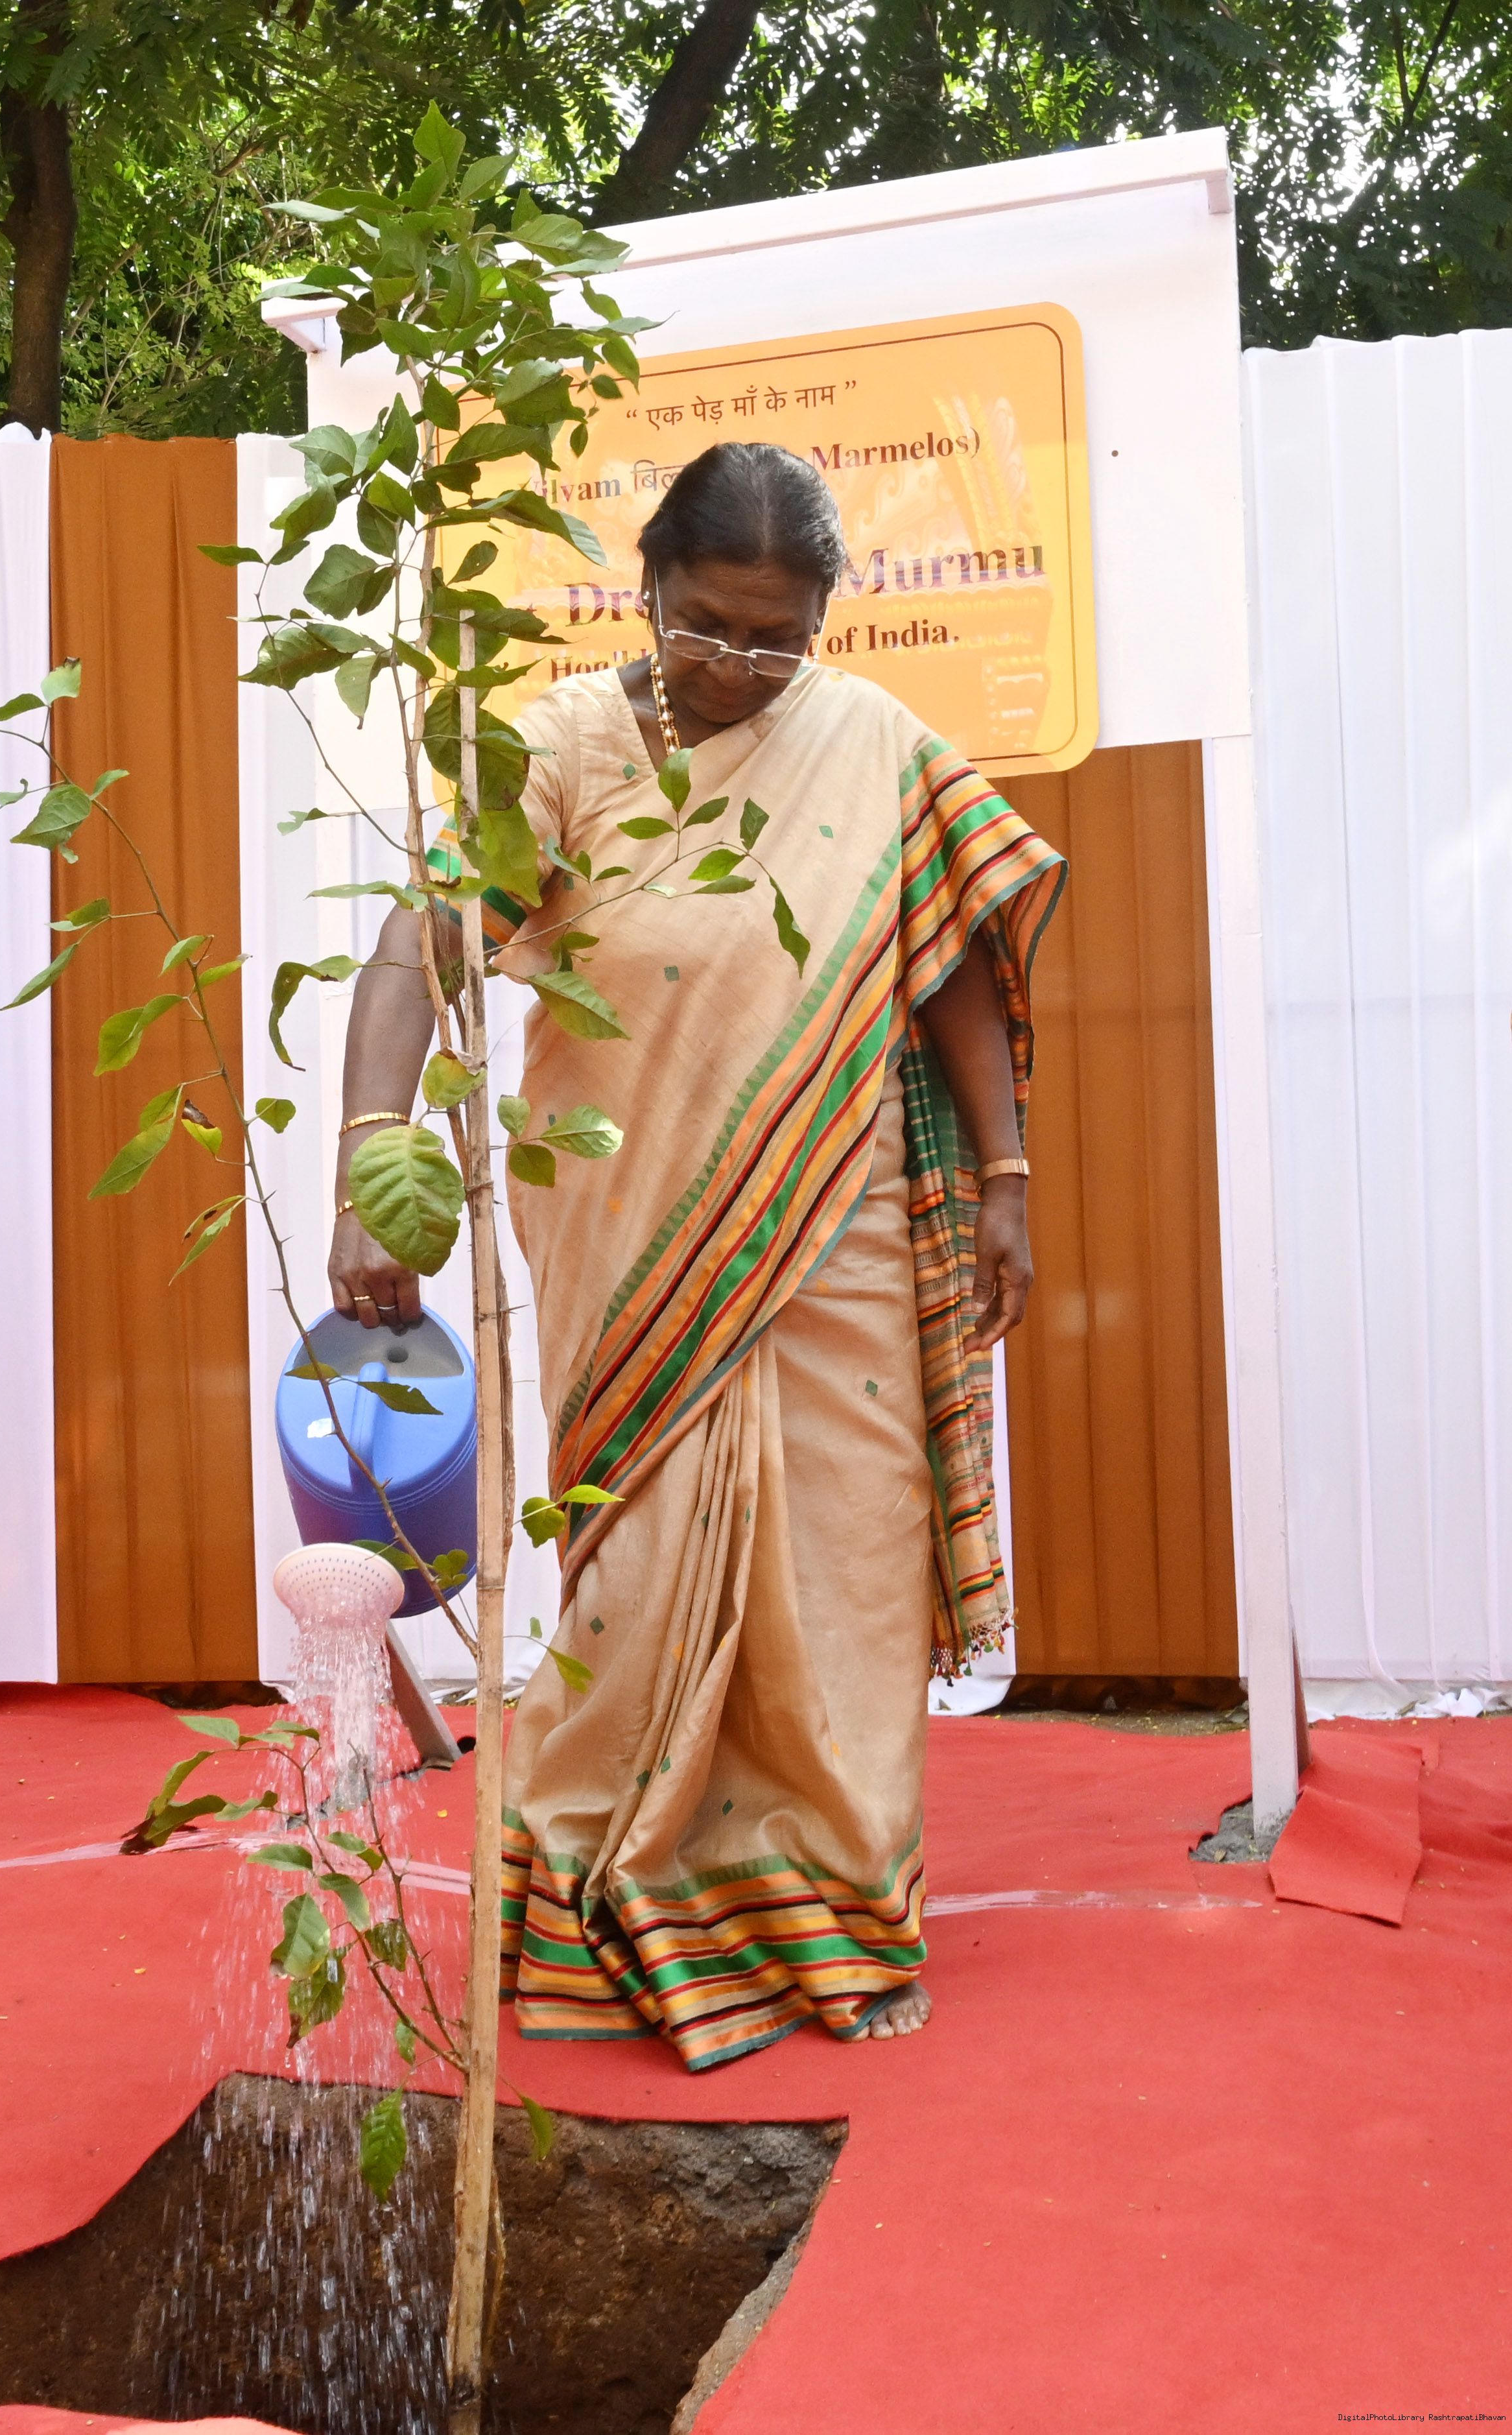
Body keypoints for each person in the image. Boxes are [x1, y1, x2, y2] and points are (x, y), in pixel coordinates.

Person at [331, 442, 1065, 2070]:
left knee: (849, 1578)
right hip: (628, 1228)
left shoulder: (871, 741)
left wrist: (1004, 1175)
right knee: (643, 1574)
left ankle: (837, 1915)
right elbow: (420, 938)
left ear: (823, 621)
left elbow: (948, 955)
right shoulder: (557, 747)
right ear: (645, 586)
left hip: (840, 1221)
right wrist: (365, 1157)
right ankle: (610, 1893)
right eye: (705, 626)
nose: (736, 665)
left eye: (776, 639)